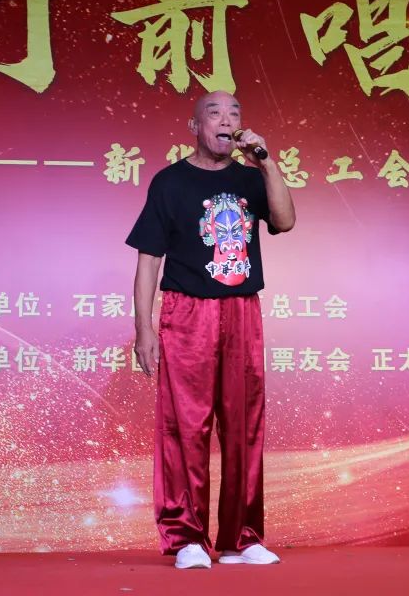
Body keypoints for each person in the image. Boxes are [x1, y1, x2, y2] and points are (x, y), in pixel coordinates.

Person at [126, 90, 295, 569]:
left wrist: (266, 162)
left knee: (244, 426)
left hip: (241, 310)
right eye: (215, 113)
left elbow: (285, 220)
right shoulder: (170, 182)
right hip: (187, 313)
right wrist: (144, 330)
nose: (226, 119)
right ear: (195, 126)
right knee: (186, 428)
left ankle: (242, 537)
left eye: (234, 112)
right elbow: (148, 260)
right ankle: (187, 539)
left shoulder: (251, 177)